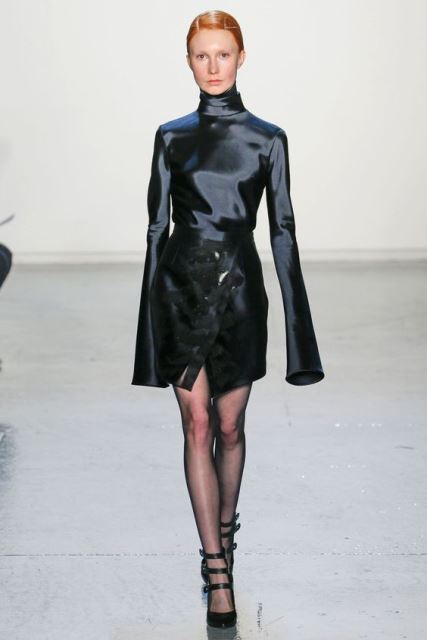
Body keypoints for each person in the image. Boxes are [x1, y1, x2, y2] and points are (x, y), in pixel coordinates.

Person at [131, 10, 325, 629]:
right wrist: (149, 328)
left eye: (223, 54)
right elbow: (156, 230)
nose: (213, 66)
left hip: (240, 297)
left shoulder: (269, 139)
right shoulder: (170, 137)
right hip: (181, 294)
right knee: (196, 425)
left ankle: (225, 540)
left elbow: (283, 231)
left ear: (242, 57)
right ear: (188, 61)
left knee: (230, 427)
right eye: (201, 55)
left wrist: (299, 334)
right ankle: (217, 571)